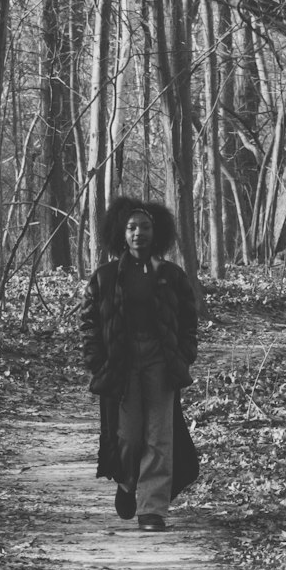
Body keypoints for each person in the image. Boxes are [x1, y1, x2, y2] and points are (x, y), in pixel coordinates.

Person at [81, 197, 200, 532]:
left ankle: (152, 510)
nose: (138, 234)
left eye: (145, 227)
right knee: (129, 436)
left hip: (160, 360)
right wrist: (96, 360)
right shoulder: (104, 277)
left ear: (155, 231)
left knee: (159, 435)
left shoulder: (171, 275)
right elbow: (88, 323)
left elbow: (189, 320)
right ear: (122, 231)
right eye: (132, 227)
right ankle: (127, 483)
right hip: (121, 362)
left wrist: (184, 353)